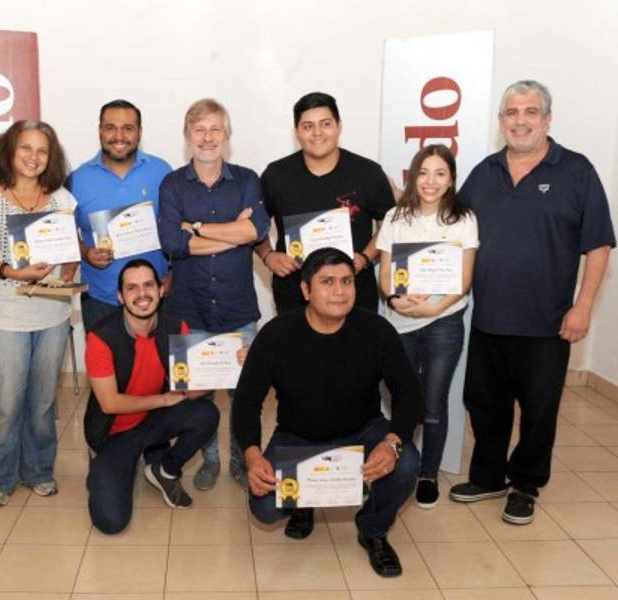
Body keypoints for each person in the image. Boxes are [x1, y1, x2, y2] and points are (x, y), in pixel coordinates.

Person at [449, 80, 615, 524]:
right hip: (487, 319)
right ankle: (487, 477)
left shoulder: (576, 171)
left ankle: (524, 484)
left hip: (548, 323)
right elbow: (451, 228)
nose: (519, 120)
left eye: (530, 111)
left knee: (539, 411)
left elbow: (598, 245)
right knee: (484, 404)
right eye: (511, 112)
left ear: (547, 119)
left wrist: (583, 307)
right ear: (501, 120)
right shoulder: (484, 172)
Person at [232, 248, 422, 578]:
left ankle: (373, 530)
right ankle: (302, 503)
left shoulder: (377, 331)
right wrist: (252, 456)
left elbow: (409, 395)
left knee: (406, 463)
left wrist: (391, 442)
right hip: (298, 437)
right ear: (306, 290)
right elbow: (246, 402)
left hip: (362, 430)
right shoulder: (276, 335)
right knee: (263, 507)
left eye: (347, 281)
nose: (339, 291)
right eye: (328, 282)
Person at [157, 98, 270, 490]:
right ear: (188, 137)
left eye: (215, 129)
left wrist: (199, 228)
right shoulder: (172, 184)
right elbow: (172, 242)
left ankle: (241, 458)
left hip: (239, 310)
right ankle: (210, 459)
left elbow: (255, 231)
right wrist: (229, 232)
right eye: (199, 130)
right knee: (198, 395)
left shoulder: (246, 180)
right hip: (189, 309)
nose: (208, 138)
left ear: (227, 136)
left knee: (245, 395)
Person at [0, 120, 78, 507]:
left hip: (52, 314)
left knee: (44, 402)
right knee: (6, 402)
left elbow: (68, 251)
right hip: (4, 314)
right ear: (9, 152)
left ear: (51, 158)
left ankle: (39, 471)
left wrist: (69, 267)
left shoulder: (62, 198)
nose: (33, 157)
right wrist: (13, 272)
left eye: (42, 151)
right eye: (25, 149)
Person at [376, 144, 478, 509]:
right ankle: (396, 466)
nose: (430, 181)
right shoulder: (395, 217)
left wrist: (433, 307)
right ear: (412, 175)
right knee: (402, 401)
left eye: (440, 173)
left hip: (443, 322)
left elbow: (463, 280)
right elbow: (385, 272)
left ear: (451, 179)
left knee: (434, 404)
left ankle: (427, 474)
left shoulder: (463, 219)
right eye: (423, 172)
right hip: (399, 322)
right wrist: (394, 300)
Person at [84, 259, 219, 533]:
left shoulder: (175, 326)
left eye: (148, 285)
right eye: (132, 288)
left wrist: (226, 368)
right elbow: (109, 403)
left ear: (161, 289)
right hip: (114, 434)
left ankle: (164, 470)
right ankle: (110, 465)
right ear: (120, 297)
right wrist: (164, 400)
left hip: (153, 424)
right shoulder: (100, 337)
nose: (142, 294)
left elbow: (193, 388)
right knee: (110, 522)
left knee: (207, 413)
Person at [255, 91, 395, 314]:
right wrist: (267, 255)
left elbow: (390, 224)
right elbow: (253, 226)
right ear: (297, 132)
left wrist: (366, 257)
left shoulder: (368, 172)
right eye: (308, 126)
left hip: (354, 296)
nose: (317, 133)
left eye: (326, 124)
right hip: (295, 298)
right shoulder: (276, 175)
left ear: (339, 126)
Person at [69, 100, 172, 332]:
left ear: (139, 132)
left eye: (128, 128)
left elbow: (178, 227)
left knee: (158, 368)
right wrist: (85, 252)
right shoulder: (78, 179)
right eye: (110, 127)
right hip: (100, 299)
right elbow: (65, 236)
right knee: (104, 368)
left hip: (154, 297)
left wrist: (173, 274)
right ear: (99, 131)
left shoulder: (162, 172)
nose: (119, 136)